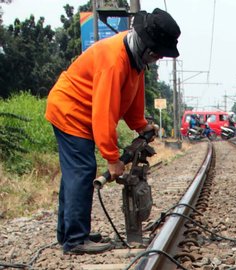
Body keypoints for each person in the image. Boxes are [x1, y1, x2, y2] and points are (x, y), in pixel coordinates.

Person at [44, 8, 181, 254]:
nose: (159, 58)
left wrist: (141, 125)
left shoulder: (134, 59)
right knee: (83, 170)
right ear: (148, 47)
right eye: (158, 53)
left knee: (75, 173)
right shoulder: (114, 61)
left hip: (81, 113)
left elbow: (132, 98)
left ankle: (68, 232)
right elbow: (104, 111)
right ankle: (75, 240)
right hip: (71, 112)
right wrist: (112, 158)